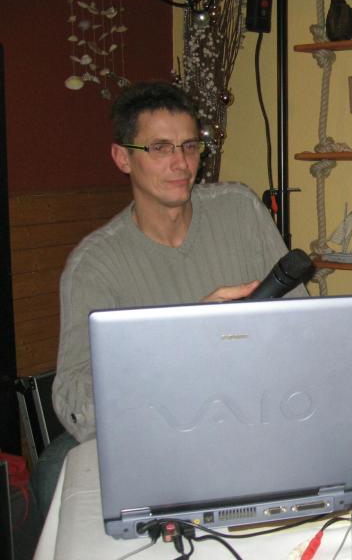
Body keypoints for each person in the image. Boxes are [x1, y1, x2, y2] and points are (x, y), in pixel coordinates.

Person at [52, 81, 306, 445]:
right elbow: (74, 405)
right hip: (161, 436)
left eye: (189, 146)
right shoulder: (94, 266)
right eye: (160, 148)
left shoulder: (239, 210)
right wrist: (185, 342)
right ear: (122, 158)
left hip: (255, 418)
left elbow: (304, 326)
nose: (181, 163)